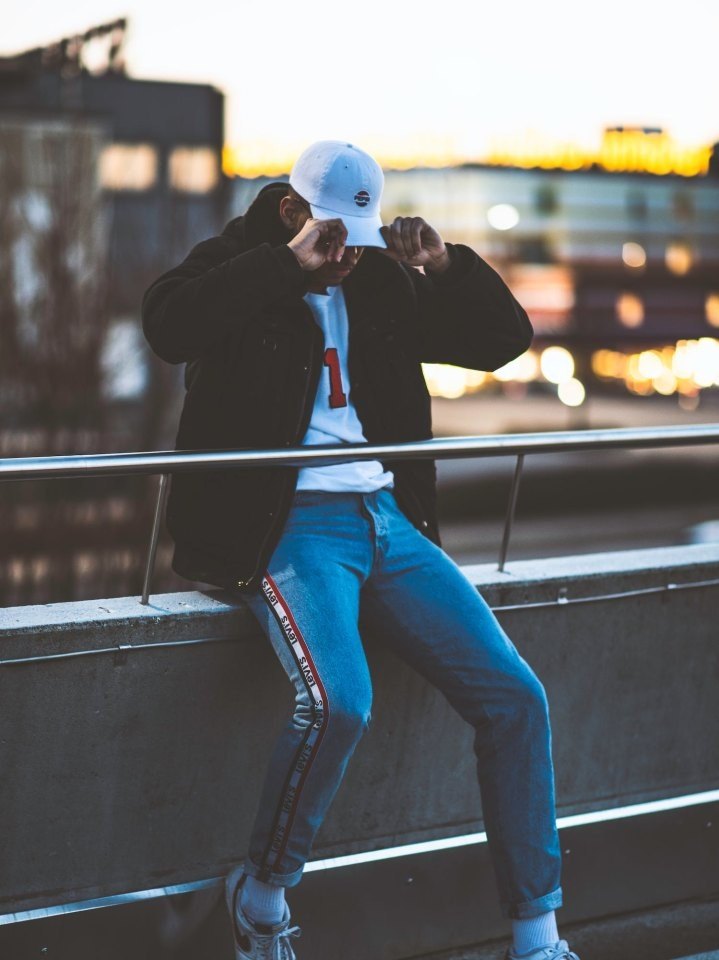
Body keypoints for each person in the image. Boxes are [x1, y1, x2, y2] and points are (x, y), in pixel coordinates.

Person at [141, 140, 580, 960]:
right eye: (331, 236)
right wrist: (284, 268)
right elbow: (167, 326)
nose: (344, 255)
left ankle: (536, 936)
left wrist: (446, 267)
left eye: (355, 237)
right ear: (290, 213)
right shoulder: (238, 262)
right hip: (286, 526)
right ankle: (262, 895)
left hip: (387, 518)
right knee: (338, 703)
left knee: (516, 699)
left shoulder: (377, 278)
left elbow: (500, 339)